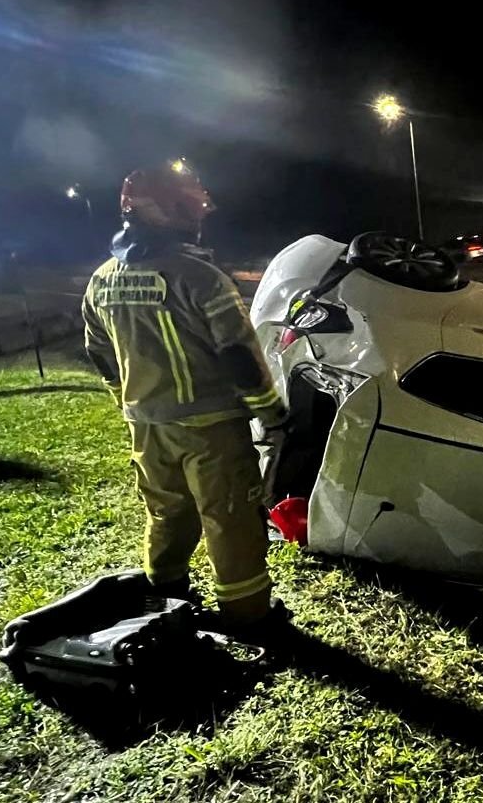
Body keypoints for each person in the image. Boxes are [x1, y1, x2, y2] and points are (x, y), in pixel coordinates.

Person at [81, 165, 289, 635]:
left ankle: (167, 591)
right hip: (210, 427)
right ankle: (249, 612)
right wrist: (271, 413)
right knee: (230, 516)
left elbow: (98, 350)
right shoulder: (201, 277)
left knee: (166, 511)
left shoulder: (102, 280)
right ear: (175, 212)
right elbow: (238, 354)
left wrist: (126, 399)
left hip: (146, 425)